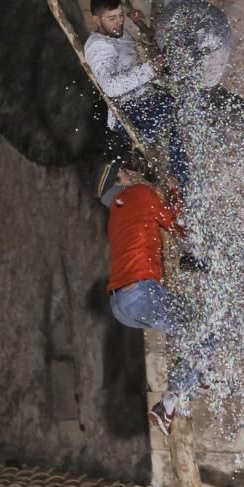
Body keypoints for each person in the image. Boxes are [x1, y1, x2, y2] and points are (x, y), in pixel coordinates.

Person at [92, 155, 211, 436]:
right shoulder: (138, 194)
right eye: (122, 173)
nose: (130, 172)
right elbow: (175, 223)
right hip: (140, 293)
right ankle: (171, 402)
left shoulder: (116, 214)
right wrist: (175, 189)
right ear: (117, 185)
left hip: (122, 306)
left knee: (191, 333)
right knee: (202, 327)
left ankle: (201, 373)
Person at [84, 0, 188, 188]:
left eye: (120, 16)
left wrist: (137, 22)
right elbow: (111, 87)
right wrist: (151, 68)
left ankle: (180, 174)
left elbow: (137, 55)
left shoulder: (120, 35)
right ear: (96, 19)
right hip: (129, 114)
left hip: (144, 103)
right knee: (175, 107)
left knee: (181, 99)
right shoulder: (98, 47)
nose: (118, 22)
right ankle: (180, 181)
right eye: (111, 18)